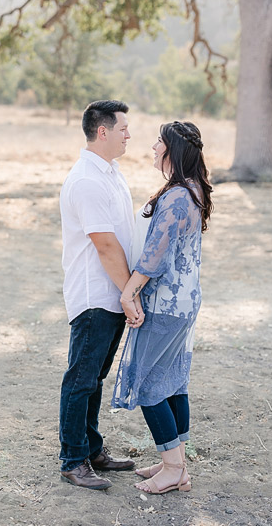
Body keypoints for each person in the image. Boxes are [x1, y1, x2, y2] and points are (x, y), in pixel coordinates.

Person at [110, 121, 213, 495]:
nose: (153, 147)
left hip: (166, 304)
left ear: (172, 150)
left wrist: (128, 292)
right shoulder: (193, 190)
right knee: (172, 383)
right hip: (184, 301)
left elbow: (153, 258)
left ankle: (173, 468)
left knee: (150, 384)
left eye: (159, 142)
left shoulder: (176, 198)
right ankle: (176, 461)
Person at [57, 99, 138, 490]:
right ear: (102, 131)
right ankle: (73, 460)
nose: (129, 134)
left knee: (95, 378)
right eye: (123, 127)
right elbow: (105, 245)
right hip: (95, 297)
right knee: (81, 379)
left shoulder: (112, 172)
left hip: (113, 294)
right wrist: (130, 293)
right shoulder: (86, 180)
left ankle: (92, 449)